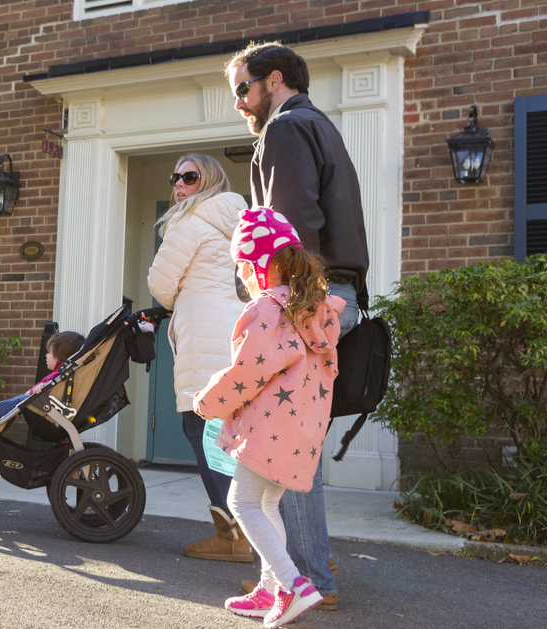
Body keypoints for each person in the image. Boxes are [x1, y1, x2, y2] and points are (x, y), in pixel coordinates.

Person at [226, 40, 370, 610]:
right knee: (296, 436)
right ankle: (295, 572)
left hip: (309, 296)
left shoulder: (285, 130)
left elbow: (291, 226)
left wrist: (278, 297)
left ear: (274, 79)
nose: (239, 102)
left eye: (244, 88)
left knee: (281, 440)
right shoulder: (322, 127)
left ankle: (306, 579)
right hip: (337, 295)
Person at [194, 206, 344, 628]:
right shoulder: (314, 311)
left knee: (240, 501)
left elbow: (248, 372)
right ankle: (268, 589)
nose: (241, 275)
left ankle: (293, 585)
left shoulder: (267, 310)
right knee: (267, 502)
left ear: (264, 263)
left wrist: (207, 401)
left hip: (268, 430)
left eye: (243, 265)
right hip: (302, 431)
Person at [147, 154, 251, 563]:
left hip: (202, 336)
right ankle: (249, 530)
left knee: (200, 429)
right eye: (175, 176)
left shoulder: (189, 221)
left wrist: (182, 300)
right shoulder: (239, 222)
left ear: (208, 181)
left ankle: (234, 534)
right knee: (230, 434)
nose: (179, 184)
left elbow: (159, 283)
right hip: (235, 333)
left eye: (189, 176)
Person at [0, 331, 85, 424]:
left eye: (49, 352)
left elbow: (51, 391)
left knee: (22, 399)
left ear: (61, 358)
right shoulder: (60, 376)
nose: (46, 355)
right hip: (47, 411)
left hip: (46, 414)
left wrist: (43, 387)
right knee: (22, 399)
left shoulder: (58, 377)